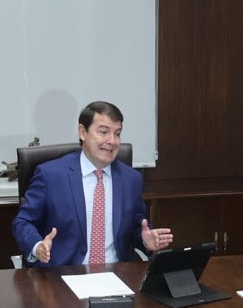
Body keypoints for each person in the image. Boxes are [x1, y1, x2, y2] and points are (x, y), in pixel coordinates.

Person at [11, 100, 173, 266]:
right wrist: (38, 246)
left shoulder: (131, 179)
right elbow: (23, 222)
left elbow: (138, 228)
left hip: (117, 274)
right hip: (63, 274)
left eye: (117, 133)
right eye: (103, 132)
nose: (112, 141)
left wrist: (145, 241)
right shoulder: (51, 175)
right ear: (83, 132)